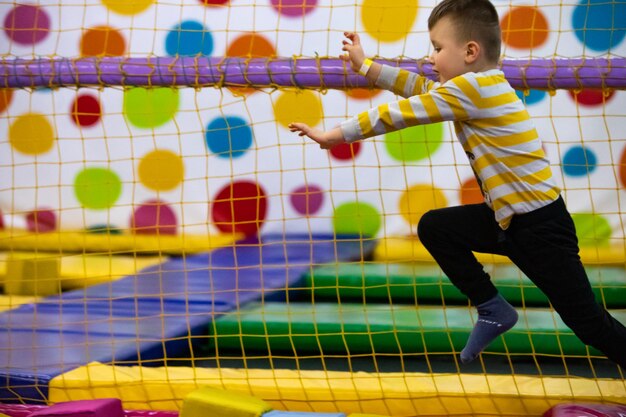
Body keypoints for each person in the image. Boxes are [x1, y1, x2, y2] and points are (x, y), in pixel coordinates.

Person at [289, 0, 626, 367]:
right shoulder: (471, 88)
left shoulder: (477, 89)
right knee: (436, 227)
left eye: (437, 48)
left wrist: (333, 136)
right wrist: (367, 67)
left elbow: (398, 114)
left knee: (589, 323)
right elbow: (419, 89)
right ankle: (492, 307)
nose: (431, 58)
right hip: (508, 223)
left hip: (541, 228)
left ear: (470, 51)